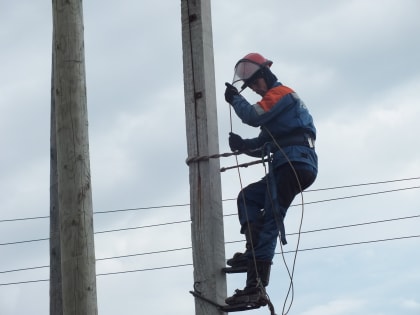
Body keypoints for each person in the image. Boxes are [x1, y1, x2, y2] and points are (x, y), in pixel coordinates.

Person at [223, 53, 318, 306]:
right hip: (287, 163)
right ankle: (253, 253)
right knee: (248, 198)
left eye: (255, 83)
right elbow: (264, 141)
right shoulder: (276, 108)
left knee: (271, 220)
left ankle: (256, 286)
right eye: (250, 86)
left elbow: (253, 117)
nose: (254, 89)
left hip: (295, 162)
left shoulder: (281, 94)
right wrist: (242, 145)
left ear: (265, 75)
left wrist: (235, 99)